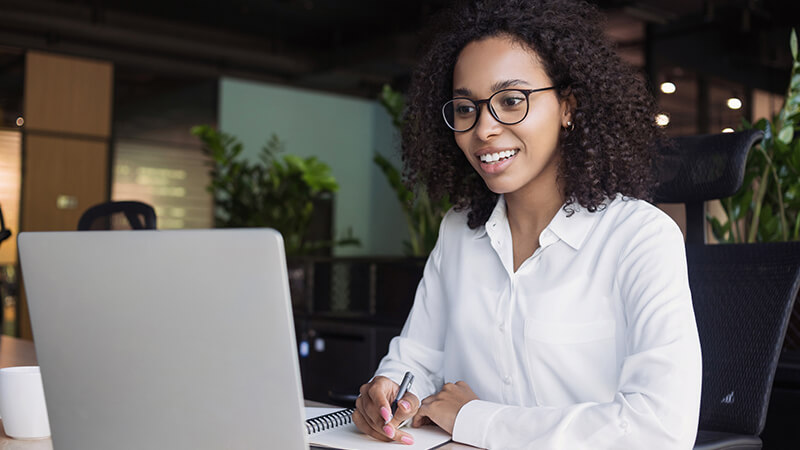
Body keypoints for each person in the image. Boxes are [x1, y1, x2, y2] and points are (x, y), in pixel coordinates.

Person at [353, 0, 702, 448]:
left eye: (511, 101)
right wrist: (388, 395)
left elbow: (660, 429)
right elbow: (416, 360)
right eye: (465, 109)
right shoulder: (459, 232)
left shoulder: (638, 238)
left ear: (568, 107)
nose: (484, 129)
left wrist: (477, 419)